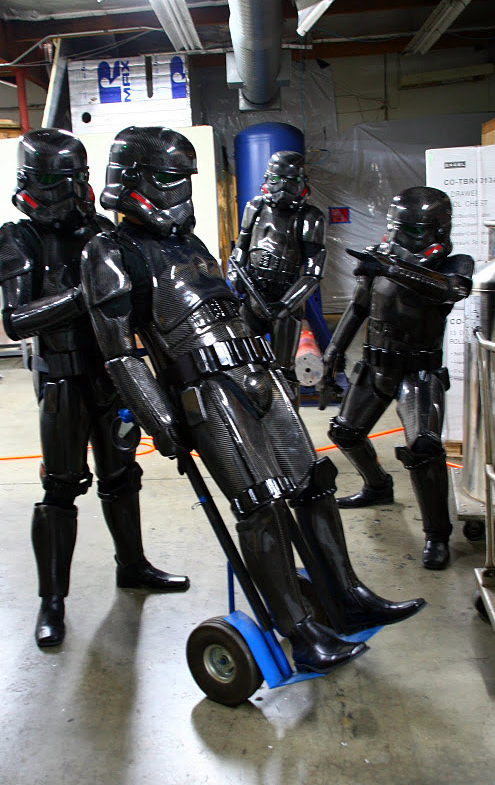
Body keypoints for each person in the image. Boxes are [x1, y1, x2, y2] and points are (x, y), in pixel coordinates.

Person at [80, 125, 425, 676]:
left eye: (185, 179)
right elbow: (120, 353)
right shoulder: (109, 251)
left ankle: (347, 596)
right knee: (260, 504)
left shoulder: (189, 243)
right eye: (169, 178)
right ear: (134, 178)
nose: (180, 191)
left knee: (314, 483)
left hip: (259, 370)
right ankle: (299, 631)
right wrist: (161, 420)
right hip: (205, 389)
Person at [0, 128, 189, 649]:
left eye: (73, 178)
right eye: (55, 180)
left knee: (122, 477)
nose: (68, 191)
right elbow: (16, 319)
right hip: (62, 377)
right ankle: (52, 601)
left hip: (113, 372)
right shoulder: (16, 238)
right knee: (61, 487)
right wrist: (84, 295)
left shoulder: (102, 231)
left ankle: (133, 565)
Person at [320, 187, 474, 570]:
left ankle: (437, 534)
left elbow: (451, 290)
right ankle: (377, 485)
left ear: (438, 229)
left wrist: (390, 267)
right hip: (375, 366)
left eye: (410, 230)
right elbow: (358, 308)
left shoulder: (454, 264)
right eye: (395, 227)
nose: (398, 237)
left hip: (418, 372)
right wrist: (332, 353)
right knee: (345, 433)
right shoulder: (381, 257)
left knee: (424, 448)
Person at [227, 151, 326, 401]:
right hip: (252, 297)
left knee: (285, 372)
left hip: (286, 303)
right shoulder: (255, 207)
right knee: (246, 364)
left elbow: (313, 273)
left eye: (290, 181)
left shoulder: (310, 217)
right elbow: (240, 246)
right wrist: (235, 274)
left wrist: (286, 304)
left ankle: (288, 420)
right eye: (275, 179)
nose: (282, 187)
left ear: (301, 182)